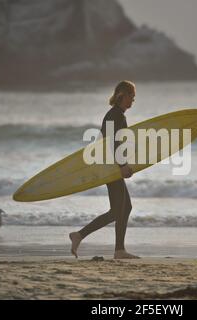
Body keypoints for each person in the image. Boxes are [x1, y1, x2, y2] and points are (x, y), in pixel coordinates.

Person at [69, 80, 140, 259]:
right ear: (122, 95)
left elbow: (114, 142)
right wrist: (122, 165)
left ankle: (119, 250)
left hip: (110, 165)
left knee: (126, 207)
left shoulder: (115, 114)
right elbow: (112, 142)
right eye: (132, 96)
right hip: (111, 167)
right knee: (117, 210)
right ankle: (80, 235)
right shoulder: (116, 115)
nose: (133, 100)